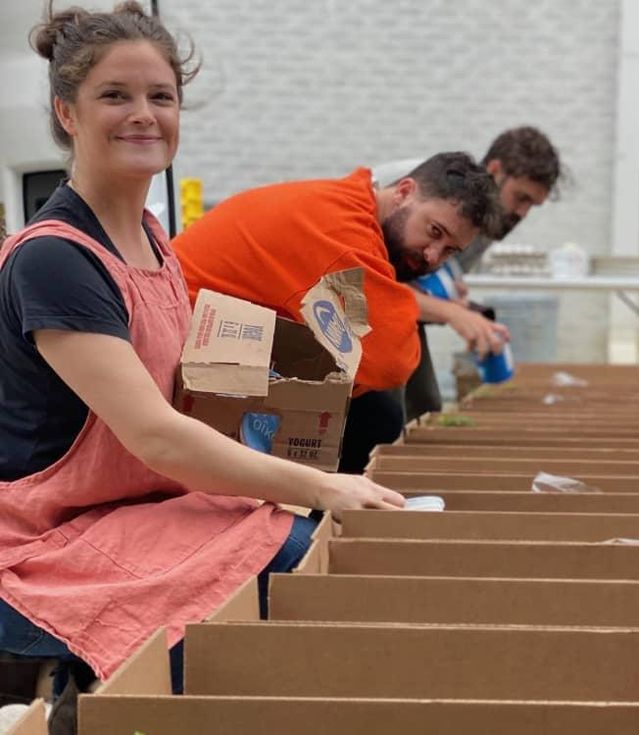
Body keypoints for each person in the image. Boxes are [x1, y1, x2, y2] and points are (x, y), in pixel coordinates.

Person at [0, 1, 404, 701]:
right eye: (114, 96)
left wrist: (298, 397)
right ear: (68, 113)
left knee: (288, 536)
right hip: (46, 538)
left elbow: (190, 386)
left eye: (161, 97)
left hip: (135, 505)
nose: (143, 115)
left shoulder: (156, 245)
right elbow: (155, 435)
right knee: (286, 556)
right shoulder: (56, 261)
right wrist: (321, 484)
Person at [173, 153, 499, 472]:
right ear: (403, 192)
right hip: (180, 347)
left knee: (368, 403)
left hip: (214, 331)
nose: (432, 257)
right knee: (373, 415)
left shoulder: (352, 203)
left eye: (449, 251)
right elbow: (390, 361)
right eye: (434, 232)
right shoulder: (344, 233)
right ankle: (313, 520)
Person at [375, 126, 562, 420]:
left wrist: (457, 299)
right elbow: (370, 284)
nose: (522, 213)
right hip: (357, 299)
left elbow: (426, 278)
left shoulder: (490, 217)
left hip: (398, 303)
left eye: (532, 206)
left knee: (424, 403)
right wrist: (452, 313)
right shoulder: (436, 194)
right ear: (496, 169)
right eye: (521, 198)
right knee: (385, 410)